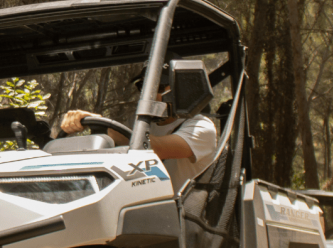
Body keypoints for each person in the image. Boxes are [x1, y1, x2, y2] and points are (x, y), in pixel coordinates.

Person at [59, 72, 217, 191]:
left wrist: (102, 124)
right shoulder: (139, 124)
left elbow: (156, 148)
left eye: (157, 87)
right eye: (143, 86)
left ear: (181, 90)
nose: (148, 94)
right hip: (141, 206)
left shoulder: (201, 127)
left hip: (181, 214)